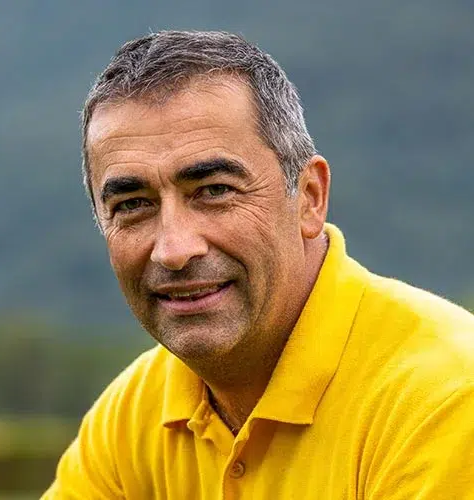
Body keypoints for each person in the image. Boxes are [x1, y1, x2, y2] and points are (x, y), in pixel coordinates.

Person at [42, 31, 474, 499]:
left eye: (214, 191)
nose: (174, 249)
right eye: (132, 204)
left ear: (309, 198)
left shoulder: (446, 398)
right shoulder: (130, 418)